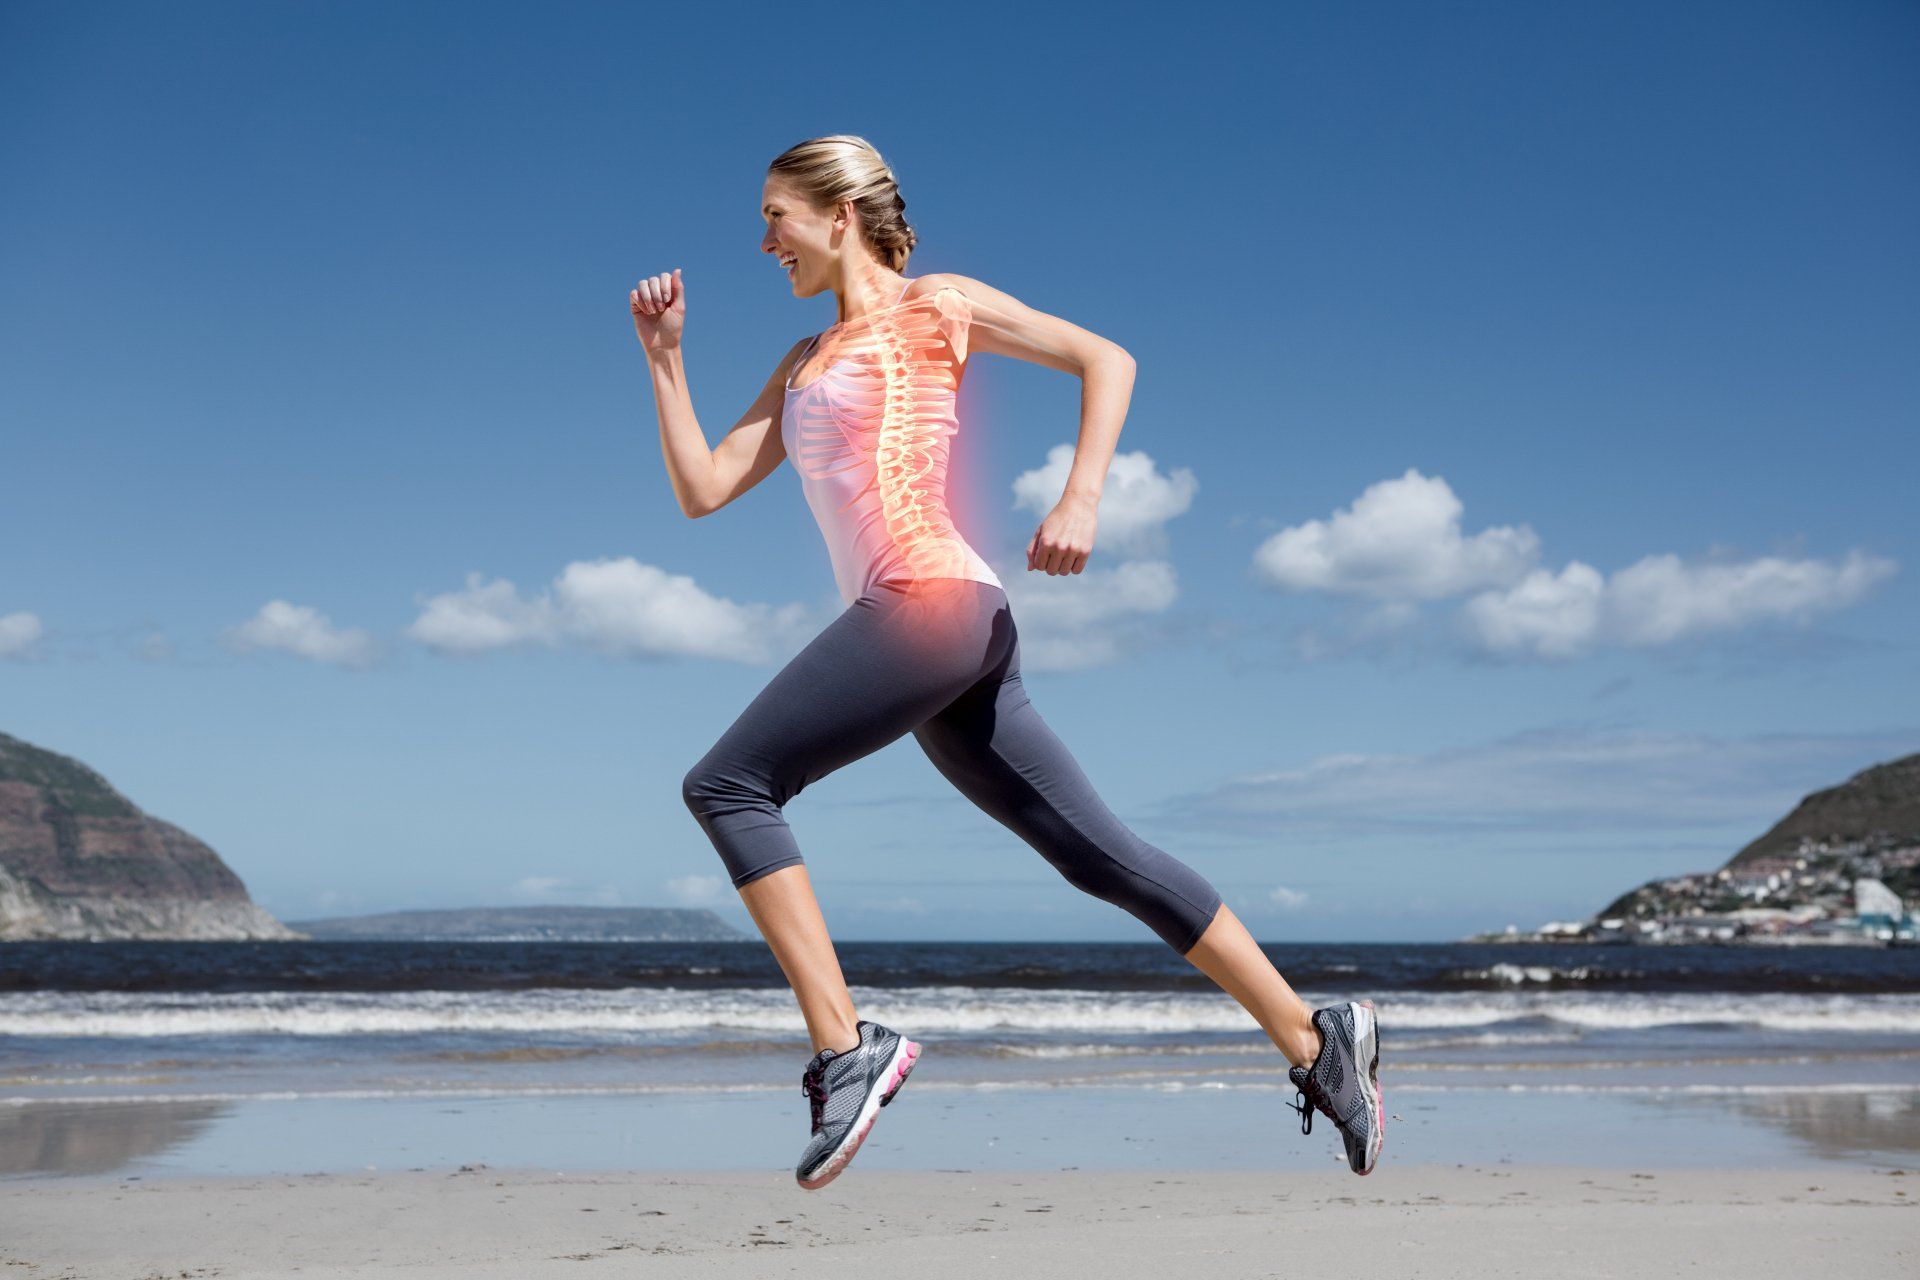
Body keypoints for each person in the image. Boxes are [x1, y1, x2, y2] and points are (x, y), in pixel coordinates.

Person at [629, 134, 1382, 1188]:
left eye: (776, 217)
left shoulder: (938, 303)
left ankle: (848, 1047)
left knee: (729, 783)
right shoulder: (801, 363)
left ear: (839, 214)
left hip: (932, 600)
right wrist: (665, 360)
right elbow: (703, 487)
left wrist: (1081, 494)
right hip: (946, 628)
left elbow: (1105, 358)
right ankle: (1317, 1038)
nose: (763, 242)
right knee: (1097, 855)